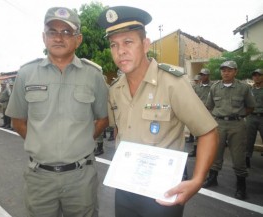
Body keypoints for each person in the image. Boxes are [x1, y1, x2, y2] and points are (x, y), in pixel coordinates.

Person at [98, 6, 218, 217]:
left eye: (128, 42)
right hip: (125, 187)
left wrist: (197, 181)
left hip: (163, 191)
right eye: (114, 45)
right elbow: (118, 129)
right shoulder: (116, 89)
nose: (120, 51)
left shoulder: (172, 82)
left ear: (145, 44)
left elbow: (207, 132)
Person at [6, 7, 109, 217]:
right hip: (40, 178)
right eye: (52, 31)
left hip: (81, 178)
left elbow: (102, 119)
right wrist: (41, 142)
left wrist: (80, 142)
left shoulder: (94, 76)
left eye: (66, 32)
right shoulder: (27, 74)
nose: (59, 38)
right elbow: (18, 121)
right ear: (44, 37)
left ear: (78, 39)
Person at [203, 60, 255, 200]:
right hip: (219, 124)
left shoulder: (243, 88)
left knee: (238, 156)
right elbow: (209, 105)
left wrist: (239, 116)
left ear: (235, 72)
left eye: (229, 70)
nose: (226, 73)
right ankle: (212, 178)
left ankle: (241, 185)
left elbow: (250, 106)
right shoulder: (215, 87)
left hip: (237, 125)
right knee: (215, 153)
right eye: (223, 70)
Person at [189, 68, 213, 157]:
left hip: (210, 112)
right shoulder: (196, 87)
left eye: (204, 75)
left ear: (208, 76)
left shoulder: (213, 86)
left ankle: (209, 151)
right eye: (201, 75)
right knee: (198, 132)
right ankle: (195, 150)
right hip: (199, 112)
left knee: (210, 132)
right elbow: (192, 99)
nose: (202, 76)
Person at [246, 68, 263, 168]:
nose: (256, 77)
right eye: (255, 75)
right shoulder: (249, 90)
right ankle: (247, 158)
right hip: (251, 117)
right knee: (248, 139)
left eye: (259, 75)